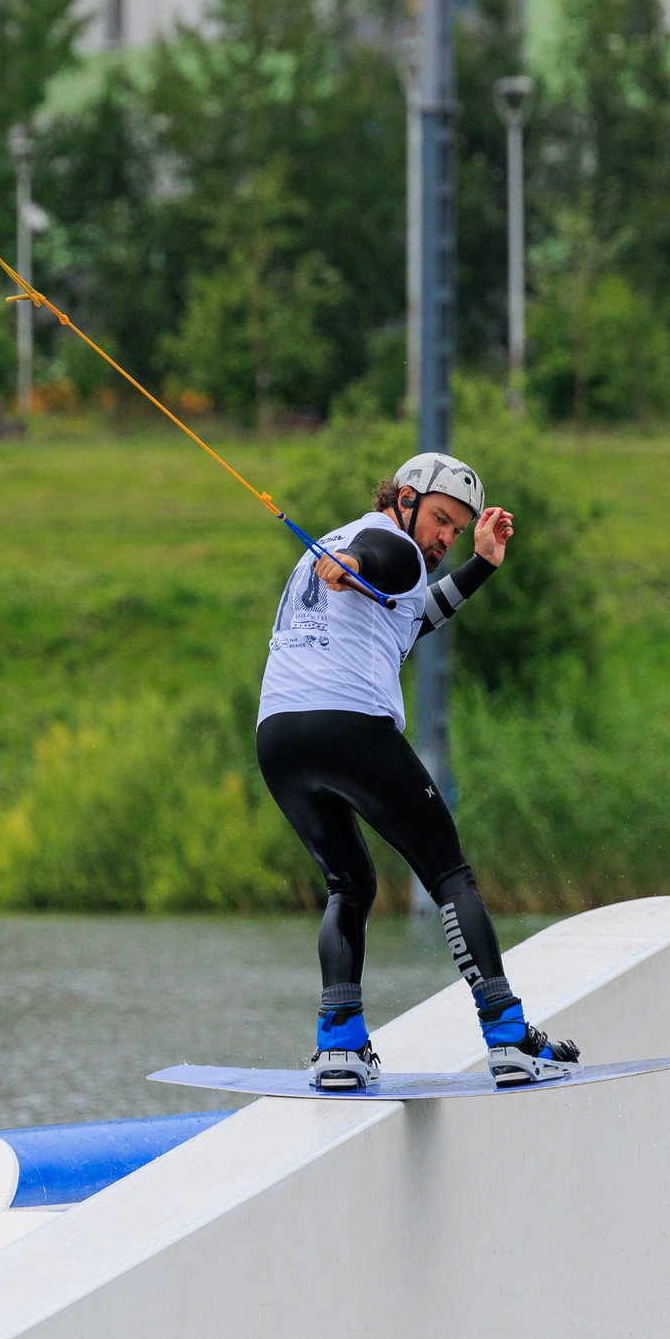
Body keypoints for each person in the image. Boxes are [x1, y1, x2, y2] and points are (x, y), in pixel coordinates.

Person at [257, 454, 580, 1091]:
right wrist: (356, 569)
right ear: (403, 499)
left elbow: (416, 616)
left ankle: (340, 1044)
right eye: (439, 521)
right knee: (449, 873)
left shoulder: (342, 546)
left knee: (350, 883)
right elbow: (383, 559)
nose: (443, 538)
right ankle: (507, 1034)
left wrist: (482, 564)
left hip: (280, 741)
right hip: (349, 727)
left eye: (456, 531)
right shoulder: (388, 545)